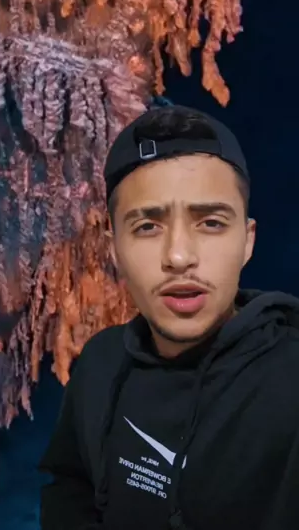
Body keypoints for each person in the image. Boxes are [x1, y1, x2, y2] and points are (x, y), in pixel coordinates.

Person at [39, 104, 299, 530]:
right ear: (114, 249)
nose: (179, 256)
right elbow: (70, 486)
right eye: (147, 226)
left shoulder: (288, 383)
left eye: (211, 222)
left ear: (247, 241)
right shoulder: (101, 364)